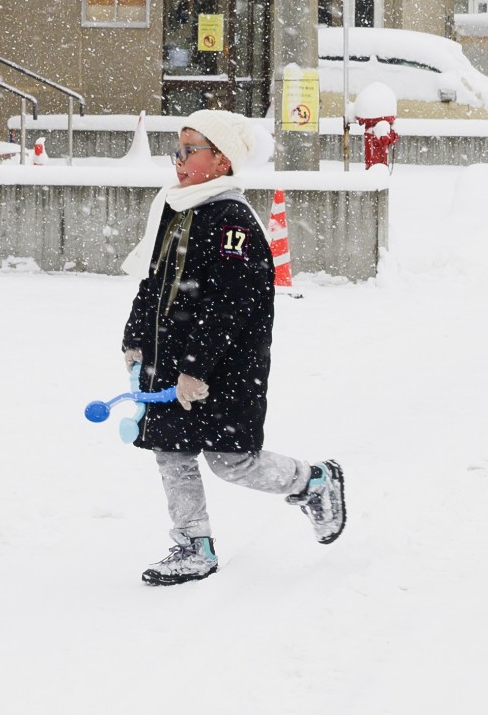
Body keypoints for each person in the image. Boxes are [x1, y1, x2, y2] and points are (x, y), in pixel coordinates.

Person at [118, 108, 345, 586]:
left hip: (224, 369)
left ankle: (313, 482)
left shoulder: (231, 221)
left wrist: (196, 370)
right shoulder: (178, 207)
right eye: (175, 150)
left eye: (188, 151)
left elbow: (229, 308)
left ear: (222, 160)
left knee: (232, 461)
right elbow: (154, 281)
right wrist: (136, 338)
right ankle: (192, 544)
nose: (177, 160)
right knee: (171, 450)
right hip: (170, 363)